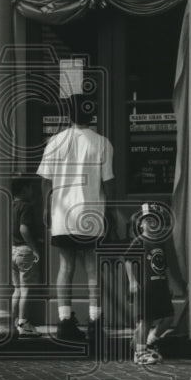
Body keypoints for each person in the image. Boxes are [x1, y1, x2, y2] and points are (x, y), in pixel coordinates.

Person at [37, 93, 114, 342]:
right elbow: (108, 182)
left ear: (69, 115)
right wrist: (109, 211)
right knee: (92, 268)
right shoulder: (102, 143)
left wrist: (46, 210)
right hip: (90, 213)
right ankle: (94, 321)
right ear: (91, 115)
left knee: (65, 267)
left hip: (62, 214)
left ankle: (65, 321)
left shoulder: (55, 142)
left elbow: (46, 182)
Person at [125, 202, 177, 365]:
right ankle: (139, 353)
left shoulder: (160, 242)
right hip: (145, 288)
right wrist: (132, 281)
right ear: (140, 223)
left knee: (168, 317)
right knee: (145, 320)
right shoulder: (139, 241)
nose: (152, 224)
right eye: (148, 220)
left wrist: (169, 283)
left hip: (160, 286)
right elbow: (127, 261)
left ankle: (148, 342)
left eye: (155, 220)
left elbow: (164, 264)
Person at [10, 175, 42, 337]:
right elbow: (24, 229)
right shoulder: (25, 207)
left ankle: (13, 320)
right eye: (30, 188)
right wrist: (34, 249)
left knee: (17, 289)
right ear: (24, 190)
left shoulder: (10, 206)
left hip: (12, 250)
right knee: (26, 289)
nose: (32, 191)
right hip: (24, 250)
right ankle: (23, 323)